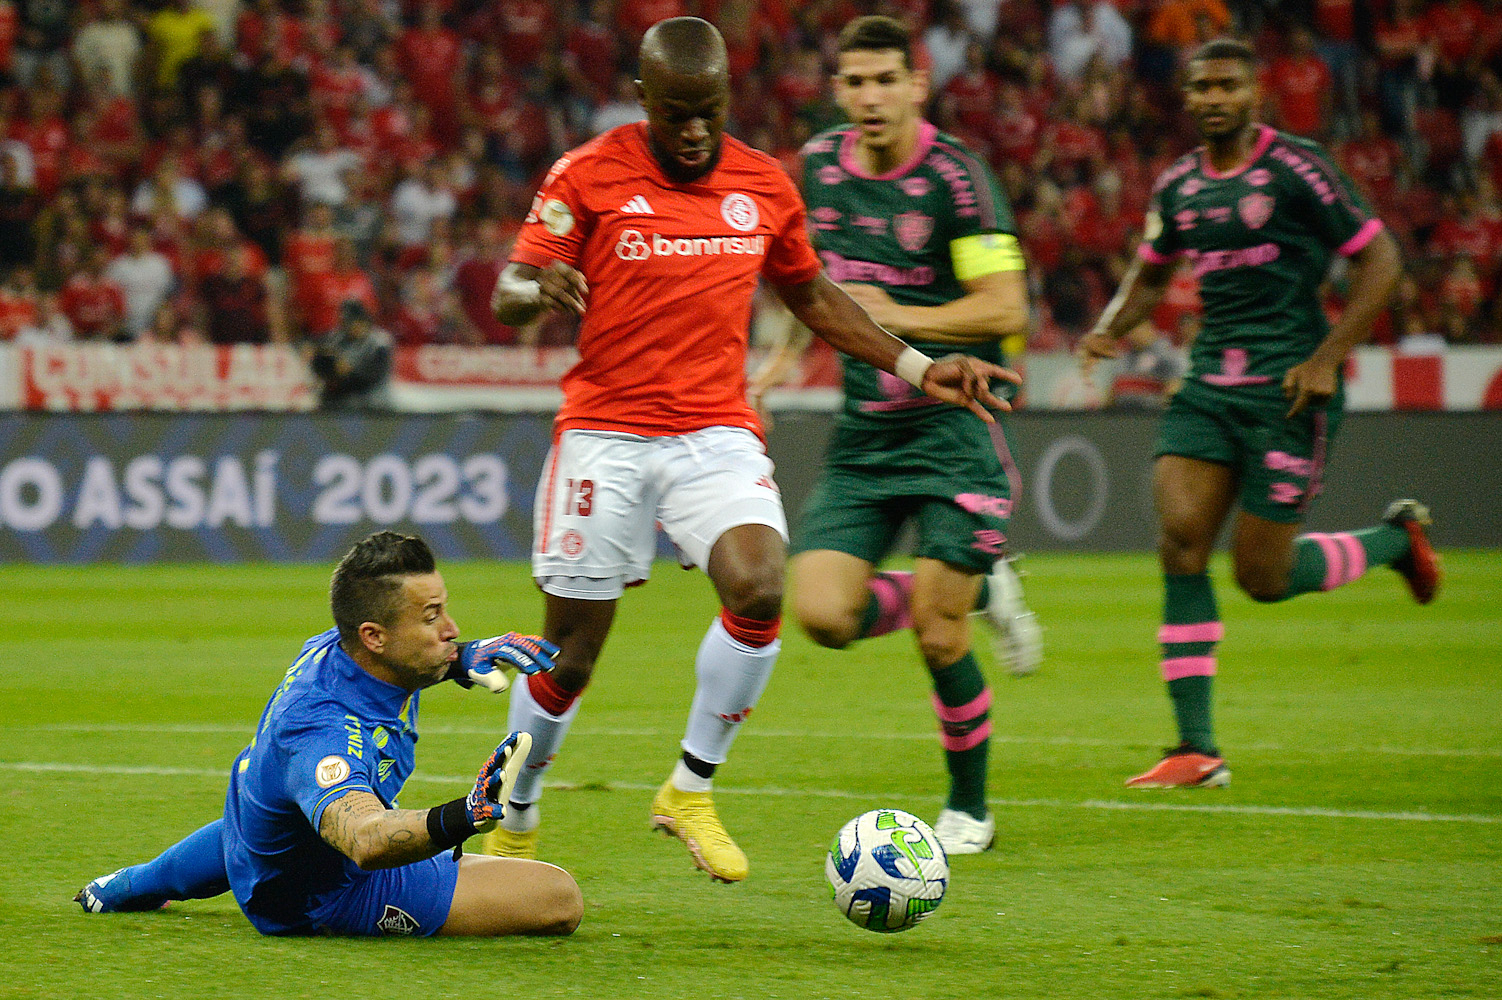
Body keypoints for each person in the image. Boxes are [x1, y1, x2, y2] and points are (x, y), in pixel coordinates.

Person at [486, 16, 1016, 883]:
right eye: (677, 113)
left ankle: (689, 790)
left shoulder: (763, 184)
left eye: (710, 111)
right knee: (570, 658)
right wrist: (537, 286)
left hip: (713, 431)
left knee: (761, 587)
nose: (695, 131)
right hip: (605, 435)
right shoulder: (586, 174)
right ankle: (514, 818)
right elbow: (511, 287)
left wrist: (919, 368)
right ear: (644, 100)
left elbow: (814, 297)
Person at [1077, 38, 1442, 789]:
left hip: (1288, 391)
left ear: (1254, 94)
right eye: (1201, 87)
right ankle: (1196, 748)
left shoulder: (1298, 169)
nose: (1213, 98)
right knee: (1179, 541)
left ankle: (1395, 540)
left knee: (1263, 577)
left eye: (1228, 86)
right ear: (1187, 98)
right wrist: (1110, 327)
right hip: (1210, 384)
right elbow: (1150, 277)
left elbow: (1381, 261)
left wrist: (1327, 358)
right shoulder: (1178, 184)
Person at [746, 15, 1040, 857]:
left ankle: (970, 808)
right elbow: (808, 288)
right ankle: (985, 588)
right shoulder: (819, 170)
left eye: (886, 80)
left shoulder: (959, 180)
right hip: (864, 441)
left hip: (955, 433)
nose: (870, 97)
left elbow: (1004, 307)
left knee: (936, 633)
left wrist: (884, 315)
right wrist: (776, 366)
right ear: (837, 90)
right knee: (821, 616)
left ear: (918, 86)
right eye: (854, 82)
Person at [76, 531, 583, 937]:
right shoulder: (325, 733)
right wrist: (460, 817)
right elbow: (364, 839)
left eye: (445, 610)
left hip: (263, 844)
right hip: (323, 897)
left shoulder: (341, 649)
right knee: (558, 896)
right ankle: (145, 883)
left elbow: (420, 654)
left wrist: (460, 658)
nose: (451, 628)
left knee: (268, 824)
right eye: (431, 617)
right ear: (374, 637)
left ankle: (131, 885)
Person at [308, 300, 393, 409]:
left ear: (365, 321)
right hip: (340, 402)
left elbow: (372, 377)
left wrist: (348, 372)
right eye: (348, 322)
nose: (353, 326)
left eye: (356, 321)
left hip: (373, 404)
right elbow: (319, 363)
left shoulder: (380, 342)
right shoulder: (335, 339)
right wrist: (331, 367)